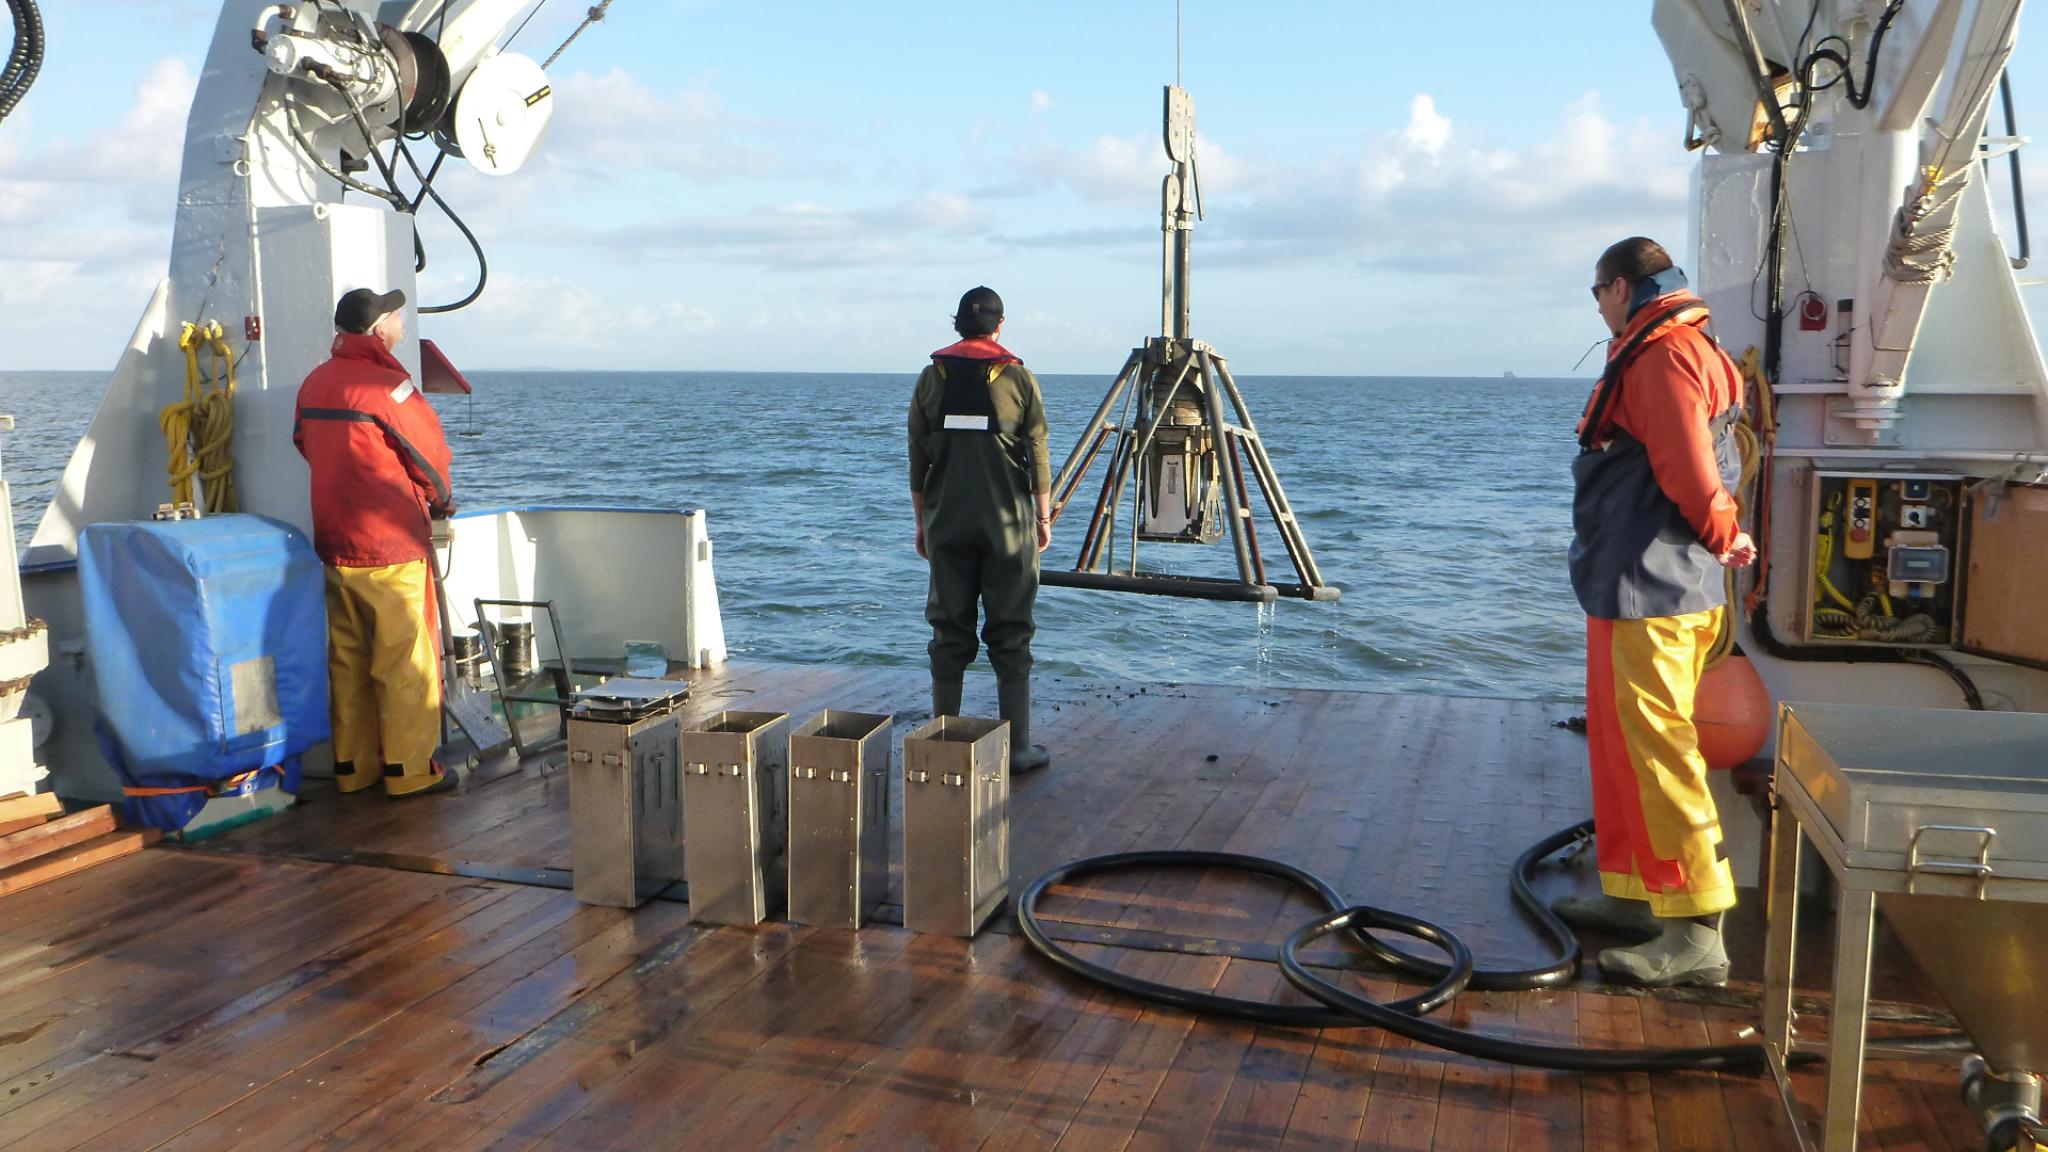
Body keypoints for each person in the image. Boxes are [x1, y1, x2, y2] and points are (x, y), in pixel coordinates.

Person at [1562, 237, 1756, 987]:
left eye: (1597, 293)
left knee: (1660, 748)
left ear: (1620, 288)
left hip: (1656, 588)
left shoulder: (1664, 355)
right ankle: (1642, 894)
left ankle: (1697, 931)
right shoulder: (1691, 348)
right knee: (1621, 744)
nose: (1599, 308)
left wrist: (1722, 533)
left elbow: (1684, 461)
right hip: (1633, 584)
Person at [293, 287, 458, 798]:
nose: (403, 324)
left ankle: (354, 768)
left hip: (334, 540)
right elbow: (429, 459)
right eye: (397, 317)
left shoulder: (315, 382)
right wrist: (441, 501)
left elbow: (303, 442)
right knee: (403, 658)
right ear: (380, 327)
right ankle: (408, 772)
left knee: (348, 656)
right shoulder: (392, 388)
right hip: (390, 546)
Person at [907, 286, 1054, 771]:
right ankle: (1017, 750)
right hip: (1008, 526)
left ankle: (943, 741)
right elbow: (1036, 451)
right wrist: (1043, 515)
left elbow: (917, 460)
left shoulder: (931, 378)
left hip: (946, 521)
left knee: (949, 632)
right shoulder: (1018, 377)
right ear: (1000, 325)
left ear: (957, 326)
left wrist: (922, 524)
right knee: (1011, 633)